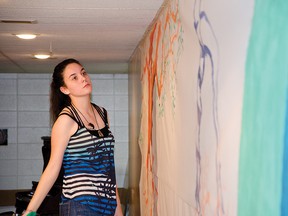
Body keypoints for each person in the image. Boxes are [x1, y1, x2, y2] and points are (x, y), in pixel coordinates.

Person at [22, 58, 123, 216]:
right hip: (80, 206)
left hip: (107, 205)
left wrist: (118, 210)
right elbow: (53, 168)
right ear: (64, 89)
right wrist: (30, 210)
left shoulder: (103, 114)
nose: (83, 78)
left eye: (83, 73)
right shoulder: (66, 120)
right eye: (74, 77)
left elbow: (108, 168)